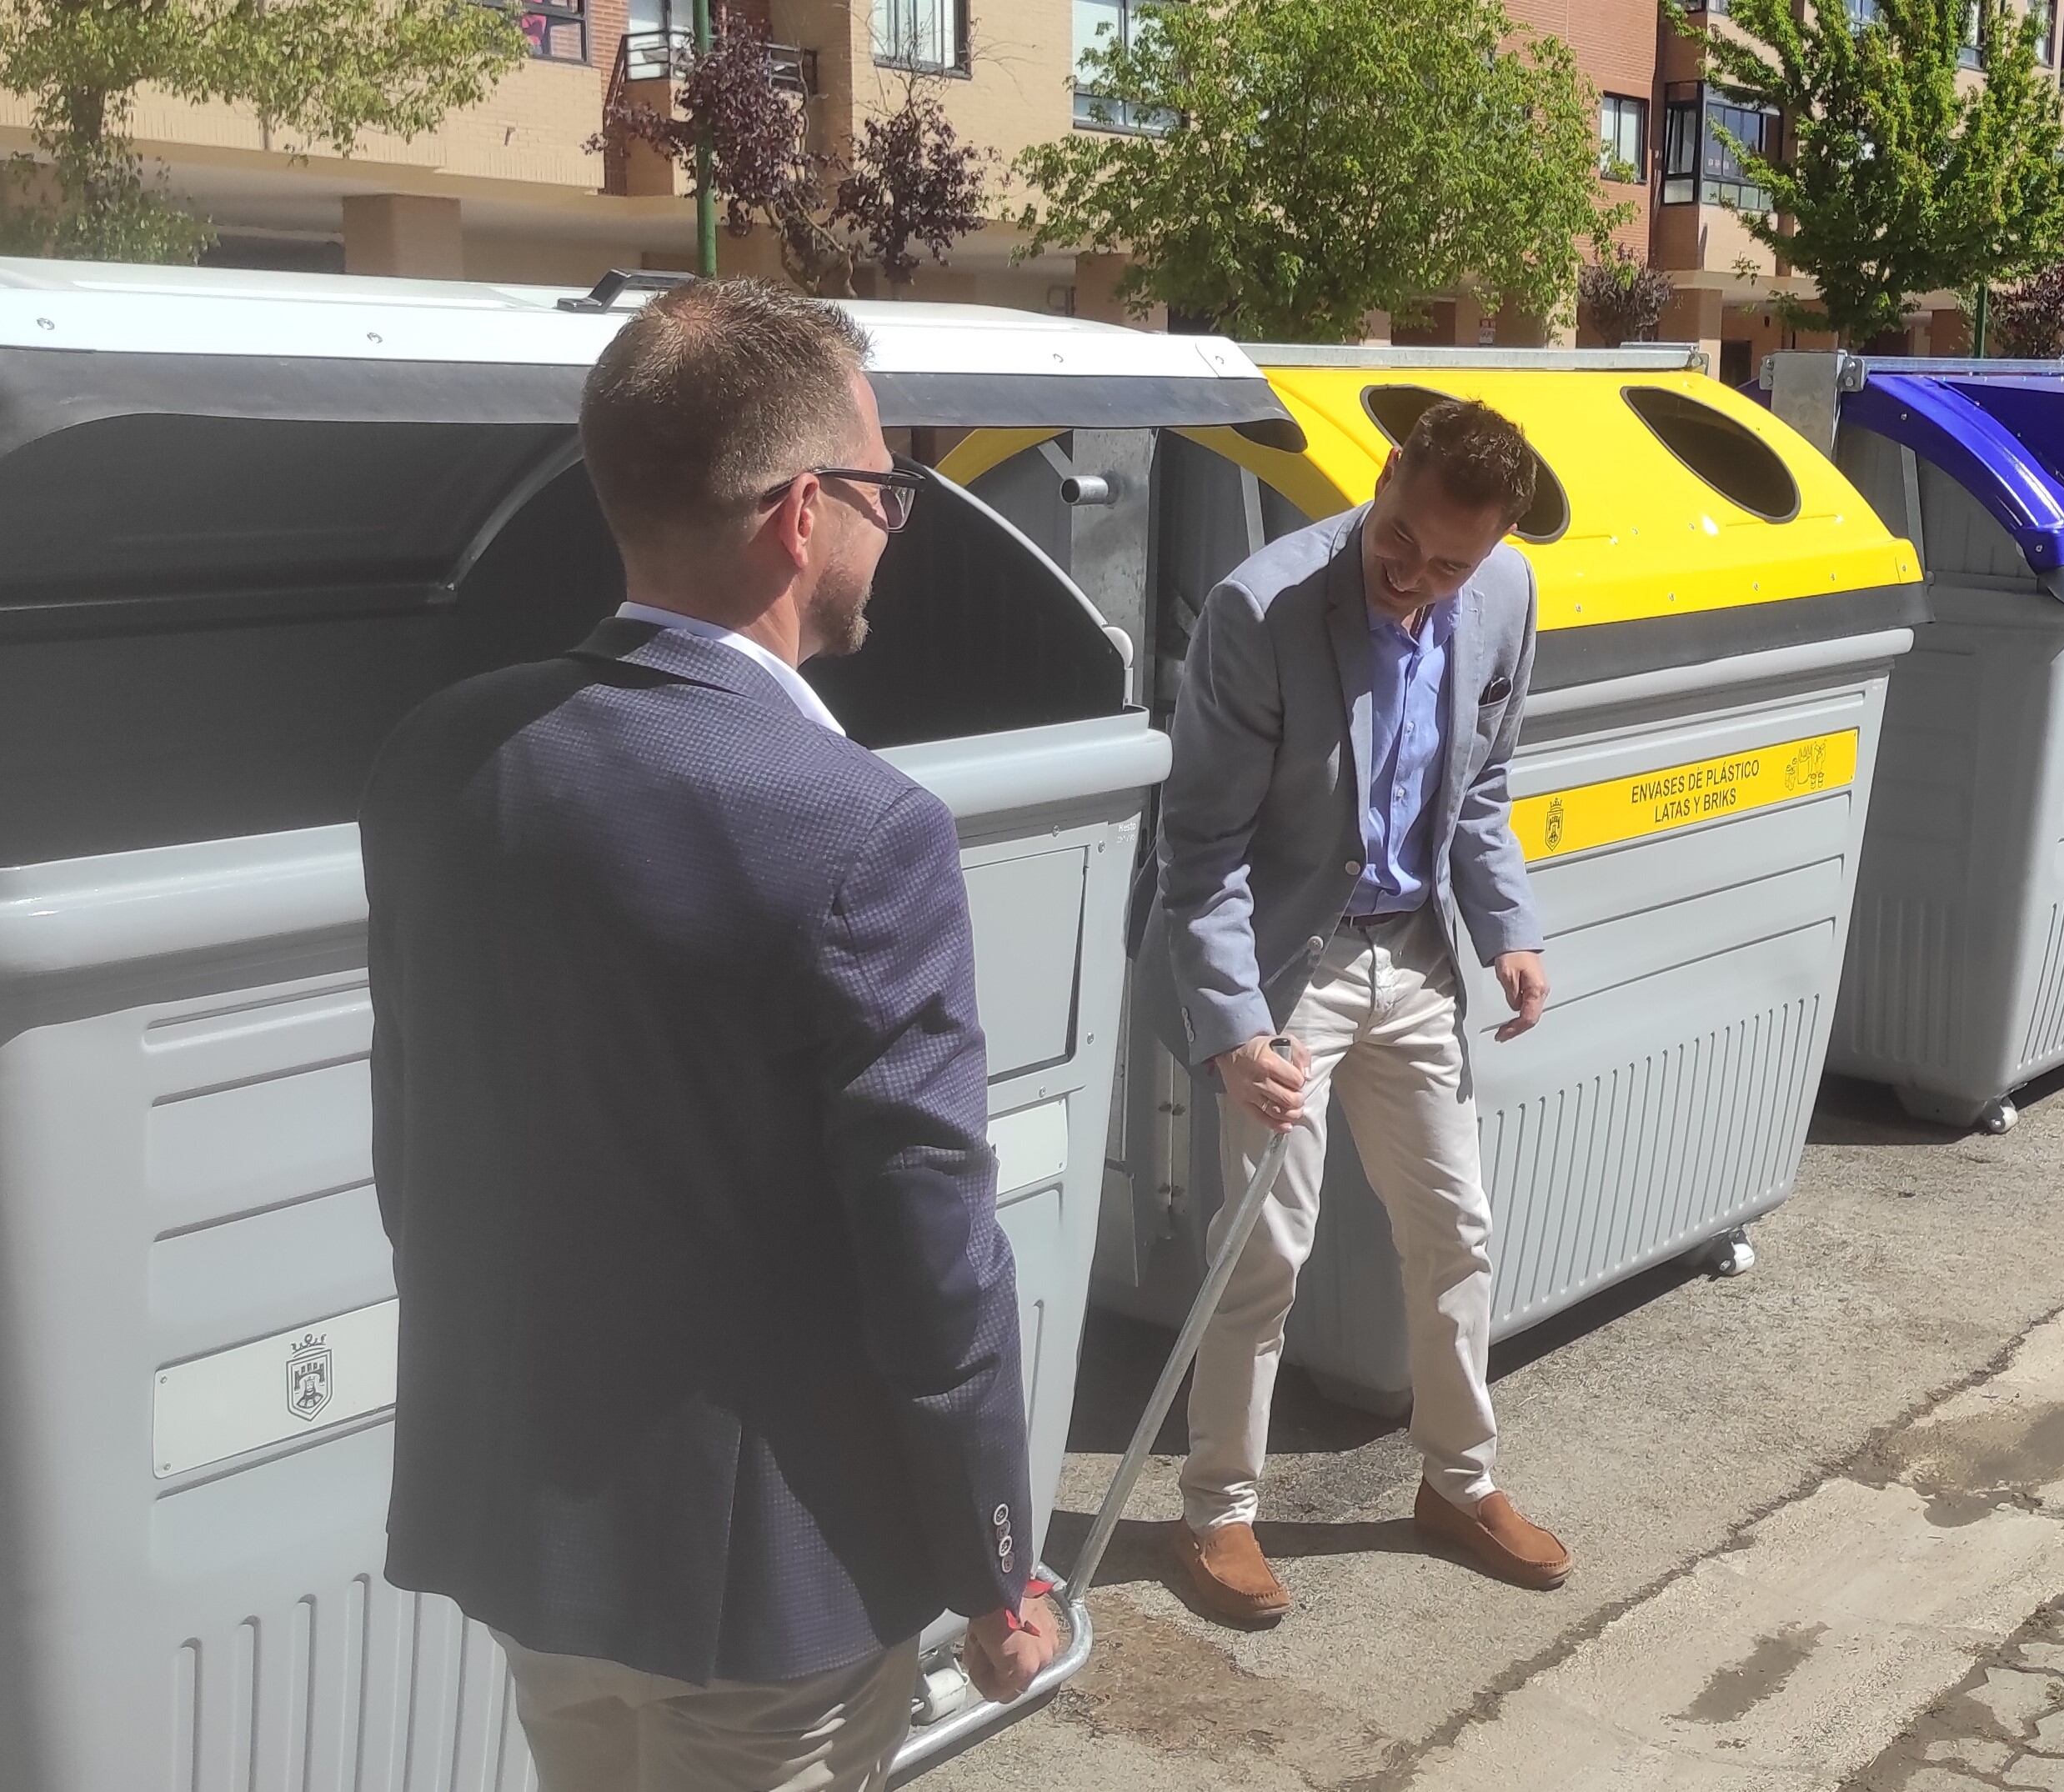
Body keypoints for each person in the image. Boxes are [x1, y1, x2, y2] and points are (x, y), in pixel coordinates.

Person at [360, 278, 1060, 1792]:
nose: (894, 526)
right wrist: (997, 1565)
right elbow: (937, 1266)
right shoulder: (860, 829)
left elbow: (413, 1161)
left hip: (529, 1528)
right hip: (769, 1602)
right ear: (802, 513)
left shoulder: (436, 759)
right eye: (889, 491)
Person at [1138, 397, 1571, 1626]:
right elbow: (1202, 845)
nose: (1417, 581)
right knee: (1263, 1244)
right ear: (1385, 477)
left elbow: (1480, 788)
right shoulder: (1260, 609)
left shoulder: (1503, 597)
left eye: (1452, 563)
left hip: (1417, 958)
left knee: (1455, 1232)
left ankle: (1459, 1482)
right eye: (1403, 545)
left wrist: (1511, 931)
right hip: (1291, 969)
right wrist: (1231, 1026)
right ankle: (1216, 1510)